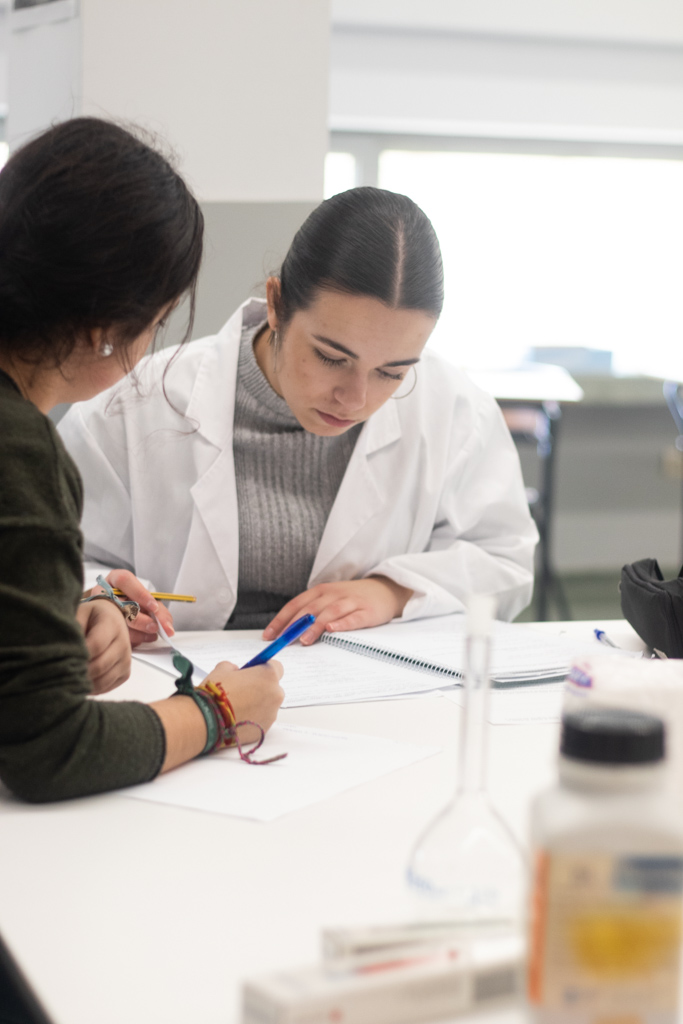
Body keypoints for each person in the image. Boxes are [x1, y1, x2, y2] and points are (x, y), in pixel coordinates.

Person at [59, 187, 537, 647]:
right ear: (277, 304)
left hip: (364, 694)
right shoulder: (133, 407)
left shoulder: (454, 409)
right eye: (332, 357)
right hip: (173, 689)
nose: (356, 398)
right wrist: (103, 599)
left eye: (392, 372)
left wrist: (394, 592)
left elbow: (505, 562)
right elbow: (49, 562)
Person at [0, 117, 284, 806]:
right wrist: (218, 710)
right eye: (157, 319)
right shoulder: (18, 449)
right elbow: (52, 749)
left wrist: (69, 607)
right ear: (106, 330)